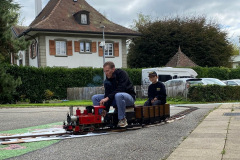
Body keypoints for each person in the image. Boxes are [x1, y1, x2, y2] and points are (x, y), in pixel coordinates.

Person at [92, 61, 136, 127]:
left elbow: (121, 89)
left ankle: (122, 119)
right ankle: (102, 117)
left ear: (113, 69)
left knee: (118, 95)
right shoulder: (107, 79)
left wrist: (107, 98)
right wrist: (106, 109)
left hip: (128, 97)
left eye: (107, 71)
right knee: (95, 97)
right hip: (115, 98)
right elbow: (107, 93)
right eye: (105, 71)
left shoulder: (122, 74)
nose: (106, 73)